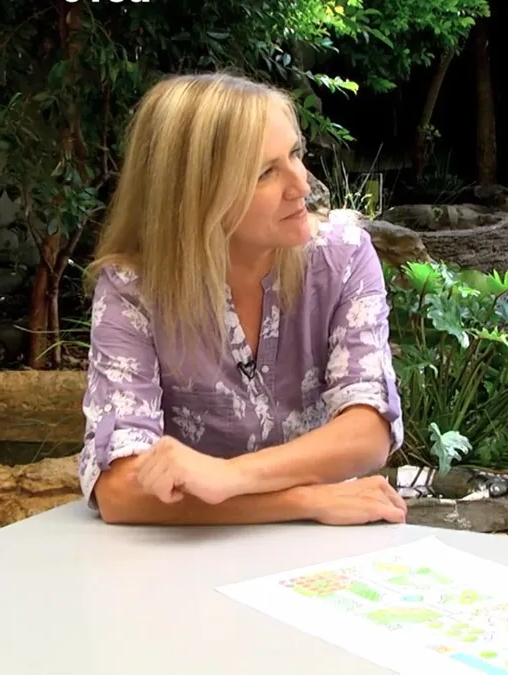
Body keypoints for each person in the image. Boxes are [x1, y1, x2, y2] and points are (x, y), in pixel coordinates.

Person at [76, 73, 408, 527]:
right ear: (193, 194)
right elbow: (120, 491)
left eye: (295, 154)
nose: (302, 186)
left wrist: (229, 477)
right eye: (265, 172)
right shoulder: (134, 289)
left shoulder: (342, 257)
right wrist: (302, 502)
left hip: (325, 550)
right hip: (190, 556)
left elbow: (368, 431)